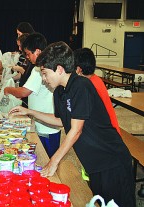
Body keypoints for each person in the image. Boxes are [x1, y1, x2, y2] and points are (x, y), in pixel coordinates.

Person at [9, 41, 135, 206]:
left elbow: (76, 130)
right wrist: (30, 112)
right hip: (94, 164)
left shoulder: (81, 86)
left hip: (111, 160)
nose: (44, 79)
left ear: (60, 69)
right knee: (102, 202)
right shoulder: (59, 91)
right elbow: (61, 121)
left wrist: (53, 162)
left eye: (45, 73)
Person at [4, 33, 61, 158]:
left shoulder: (39, 70)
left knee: (47, 158)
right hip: (44, 123)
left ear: (38, 52)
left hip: (47, 127)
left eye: (28, 54)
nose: (27, 57)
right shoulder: (40, 68)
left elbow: (24, 91)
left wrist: (9, 89)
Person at [74, 48, 121, 135]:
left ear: (79, 69)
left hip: (108, 134)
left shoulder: (88, 86)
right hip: (108, 130)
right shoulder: (95, 79)